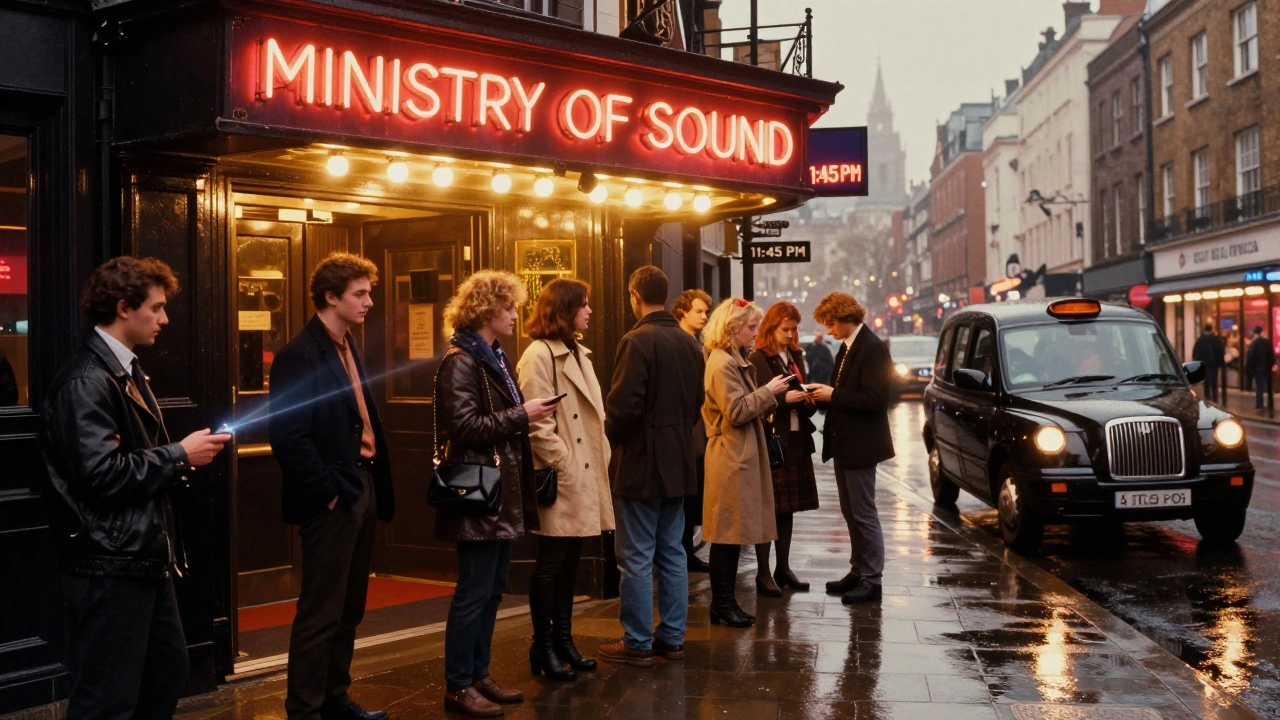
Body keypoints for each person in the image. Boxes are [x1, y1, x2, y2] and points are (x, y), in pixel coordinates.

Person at [41, 256, 230, 720]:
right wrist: (179, 454)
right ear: (124, 307)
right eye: (157, 308)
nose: (165, 319)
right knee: (107, 694)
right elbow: (101, 475)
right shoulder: (88, 379)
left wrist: (178, 458)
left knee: (165, 670)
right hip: (110, 560)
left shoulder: (122, 370)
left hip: (137, 555)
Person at [269, 253, 395, 720]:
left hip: (361, 485)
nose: (369, 301)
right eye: (360, 294)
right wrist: (331, 491)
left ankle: (335, 698)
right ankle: (305, 710)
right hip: (334, 495)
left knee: (350, 606)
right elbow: (287, 435)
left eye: (368, 292)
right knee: (321, 611)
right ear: (330, 297)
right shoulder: (299, 354)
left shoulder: (347, 344)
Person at [433, 270, 558, 717]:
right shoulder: (462, 360)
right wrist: (523, 414)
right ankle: (459, 684)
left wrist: (523, 414)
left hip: (498, 492)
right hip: (479, 493)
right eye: (509, 308)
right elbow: (463, 427)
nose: (515, 315)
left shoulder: (493, 356)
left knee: (491, 590)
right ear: (487, 310)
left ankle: (478, 674)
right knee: (473, 590)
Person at [601, 266, 705, 666]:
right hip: (679, 460)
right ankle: (672, 637)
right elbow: (696, 402)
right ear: (666, 295)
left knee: (636, 556)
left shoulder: (637, 340)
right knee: (673, 552)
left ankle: (638, 641)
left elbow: (624, 407)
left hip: (642, 461)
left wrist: (612, 437)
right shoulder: (687, 342)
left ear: (633, 295)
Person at [515, 279, 614, 683]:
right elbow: (537, 423)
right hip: (563, 474)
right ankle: (543, 645)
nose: (589, 311)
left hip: (584, 471)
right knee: (551, 563)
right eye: (584, 305)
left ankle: (565, 640)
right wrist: (566, 463)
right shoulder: (538, 355)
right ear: (564, 309)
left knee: (570, 562)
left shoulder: (578, 352)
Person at [701, 299, 791, 627]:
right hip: (731, 457)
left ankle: (724, 603)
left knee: (733, 534)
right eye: (751, 327)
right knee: (727, 535)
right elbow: (736, 411)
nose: (755, 333)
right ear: (732, 328)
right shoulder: (722, 362)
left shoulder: (732, 358)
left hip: (739, 455)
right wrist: (769, 391)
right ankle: (722, 604)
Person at [807, 292, 894, 605]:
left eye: (830, 323)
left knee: (863, 513)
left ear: (845, 318)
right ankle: (858, 570)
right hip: (845, 442)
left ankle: (872, 579)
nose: (828, 329)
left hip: (861, 444)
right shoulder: (846, 346)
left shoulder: (872, 348)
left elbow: (875, 400)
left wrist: (833, 395)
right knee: (850, 511)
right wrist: (822, 395)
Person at [747, 301, 819, 596]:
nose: (790, 334)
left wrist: (809, 400)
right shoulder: (759, 357)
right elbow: (757, 399)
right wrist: (783, 401)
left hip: (796, 440)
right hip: (772, 442)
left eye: (794, 329)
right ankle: (763, 572)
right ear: (771, 328)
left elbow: (799, 399)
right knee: (768, 508)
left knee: (787, 510)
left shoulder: (797, 356)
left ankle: (783, 567)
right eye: (784, 329)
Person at [672, 288, 713, 573]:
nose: (703, 316)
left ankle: (686, 548)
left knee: (693, 492)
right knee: (685, 492)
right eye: (698, 311)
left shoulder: (701, 343)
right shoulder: (680, 342)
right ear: (682, 311)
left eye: (706, 312)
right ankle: (682, 550)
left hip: (699, 428)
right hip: (685, 427)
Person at [1192, 324, 1225, 403]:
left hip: (1205, 365)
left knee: (1206, 382)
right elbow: (1221, 351)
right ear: (1211, 330)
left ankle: (1207, 398)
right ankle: (1215, 398)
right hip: (1214, 365)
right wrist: (1220, 362)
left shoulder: (1201, 340)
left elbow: (1196, 352)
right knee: (1214, 382)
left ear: (1204, 330)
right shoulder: (1216, 339)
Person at [1245, 325, 1275, 410]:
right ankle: (1270, 404)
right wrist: (1271, 364)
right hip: (1266, 367)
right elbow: (1271, 355)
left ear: (1254, 333)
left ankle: (1259, 404)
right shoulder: (1267, 342)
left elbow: (1250, 357)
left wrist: (1249, 368)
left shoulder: (1253, 344)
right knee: (1268, 386)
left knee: (1259, 387)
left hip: (1257, 368)